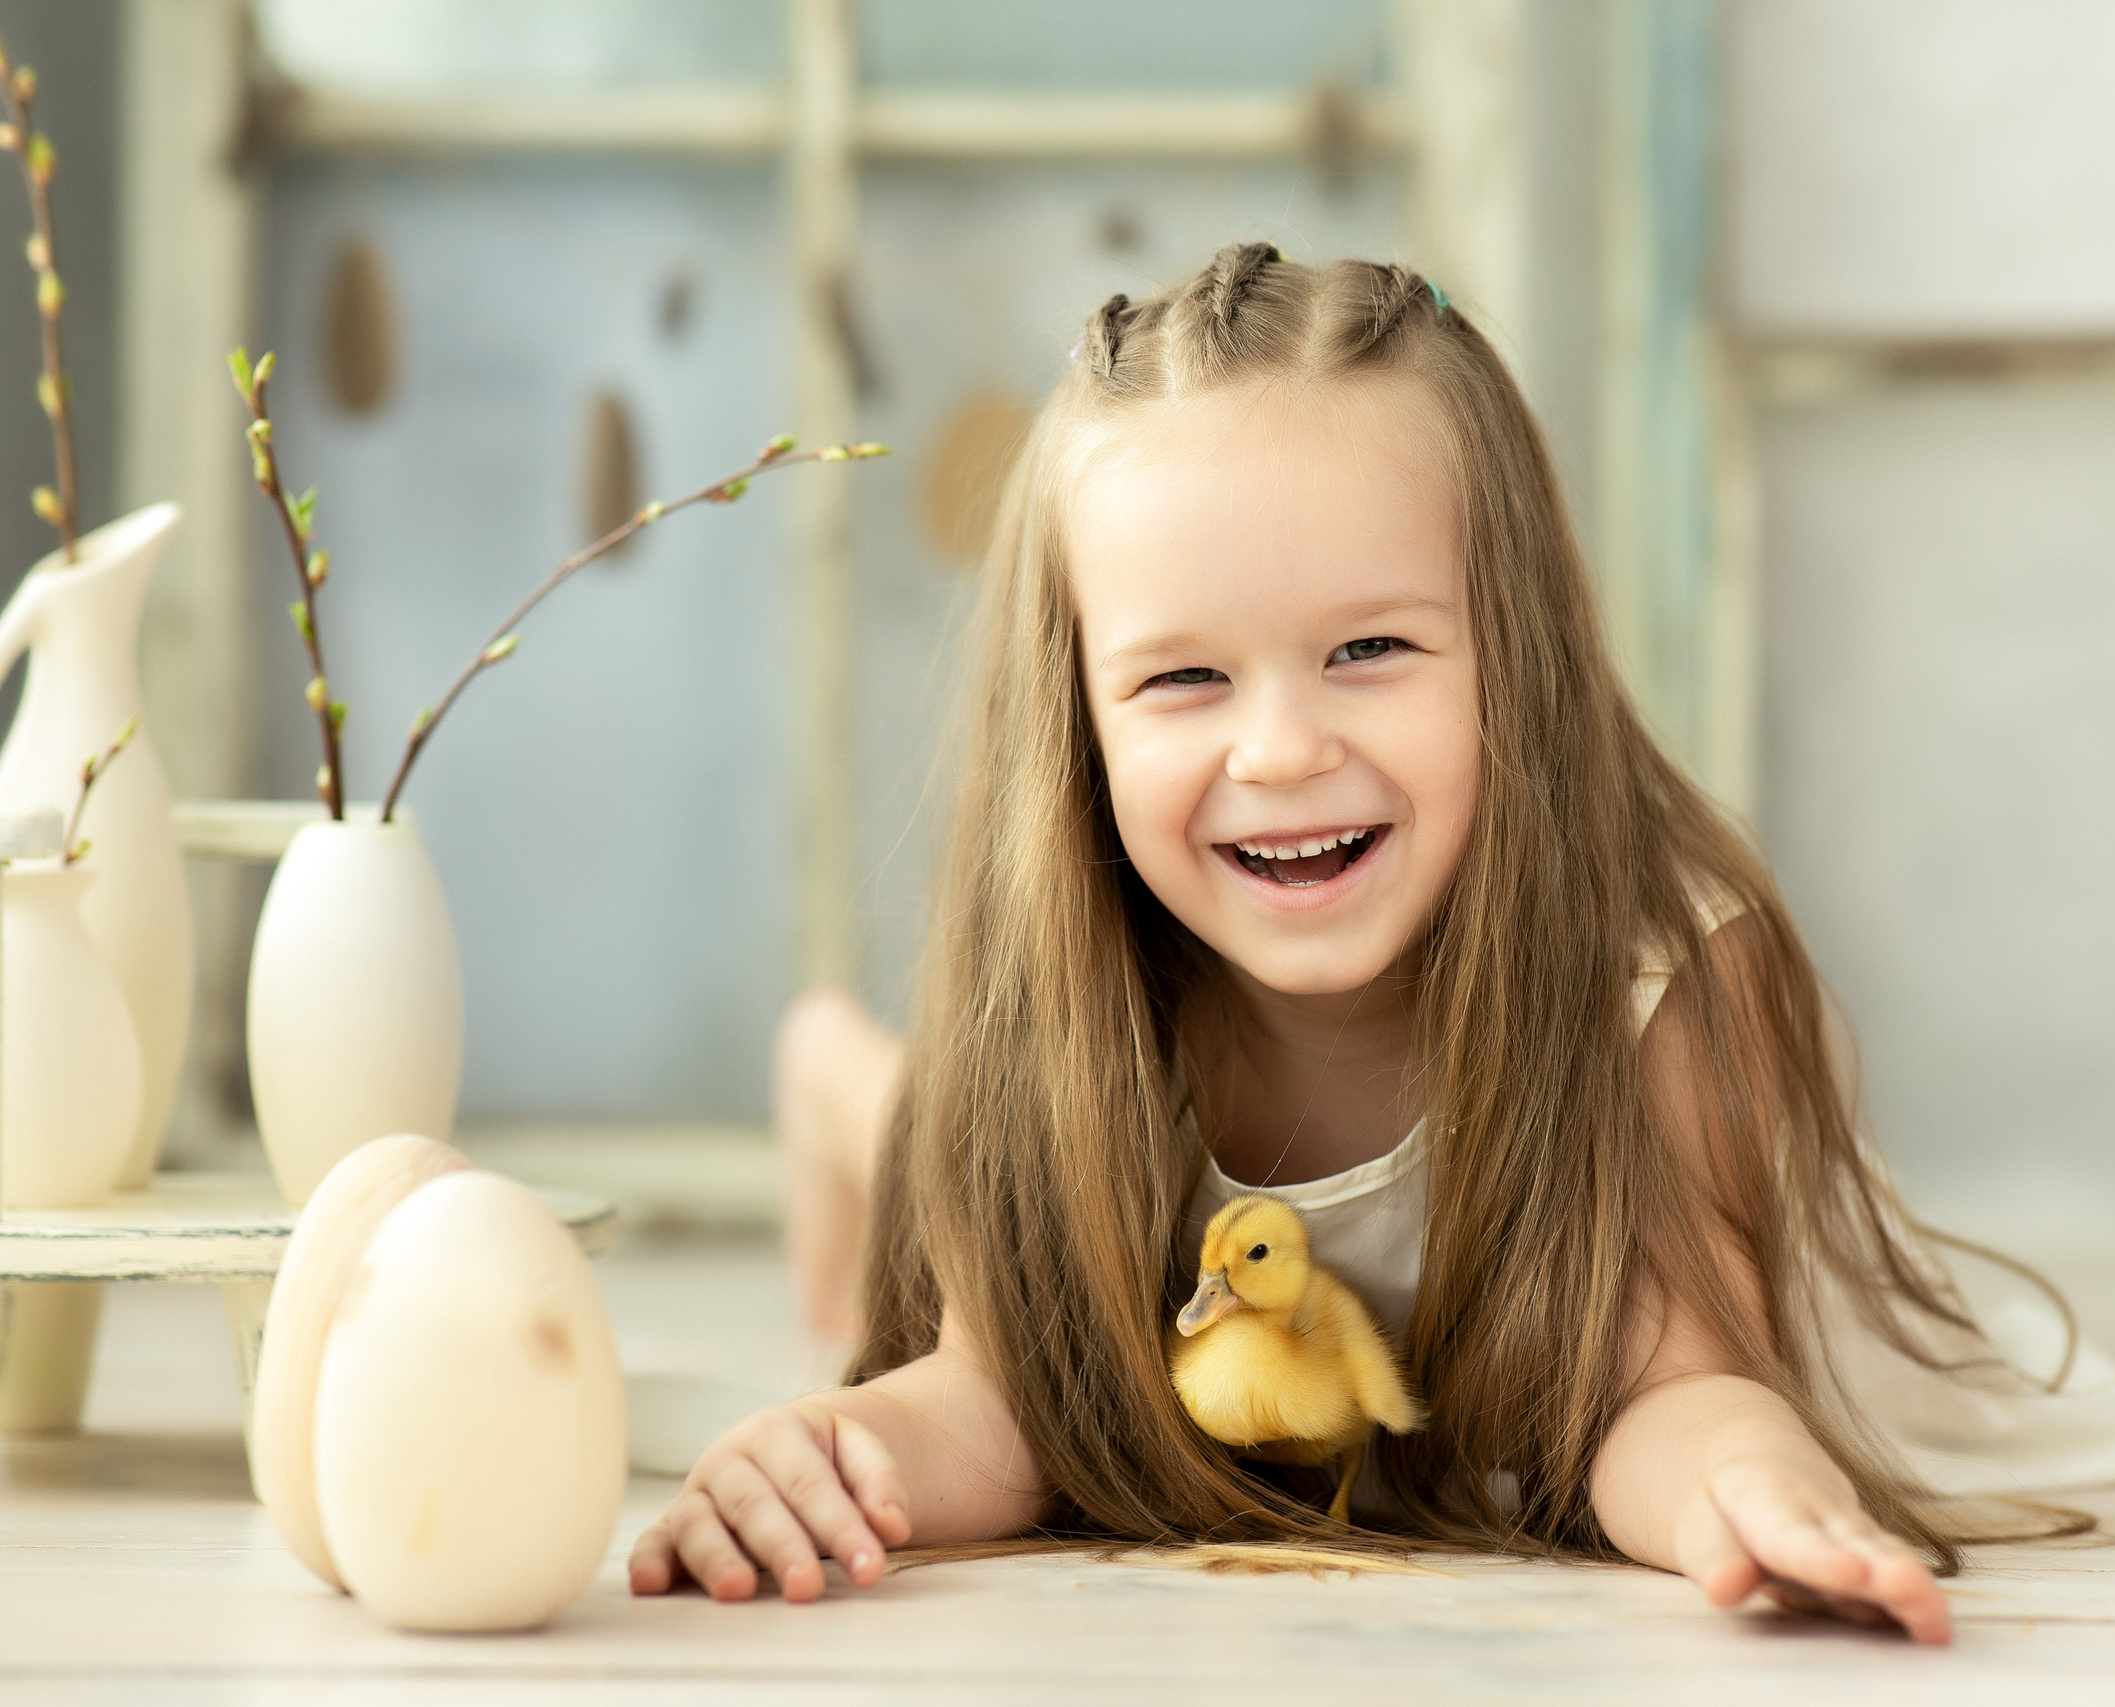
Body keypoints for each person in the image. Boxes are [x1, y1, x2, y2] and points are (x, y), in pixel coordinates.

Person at [629, 243, 2021, 1644]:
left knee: (917, 1140)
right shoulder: (1071, 991)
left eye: (1370, 651)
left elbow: (1675, 1396)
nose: (1283, 752)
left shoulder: (1665, 993)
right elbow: (997, 1411)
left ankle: (841, 1074)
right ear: (1077, 726)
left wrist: (1745, 1487)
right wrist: (837, 1448)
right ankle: (833, 1069)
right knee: (921, 1140)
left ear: (1516, 656)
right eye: (1185, 676)